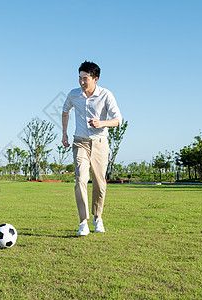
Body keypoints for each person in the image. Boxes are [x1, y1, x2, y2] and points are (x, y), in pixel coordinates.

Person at [62, 61, 122, 236]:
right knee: (80, 180)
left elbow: (118, 120)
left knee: (99, 184)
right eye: (80, 78)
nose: (81, 82)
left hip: (100, 143)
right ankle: (83, 222)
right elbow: (65, 111)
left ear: (95, 79)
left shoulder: (106, 95)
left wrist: (101, 123)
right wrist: (64, 133)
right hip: (80, 141)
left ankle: (98, 217)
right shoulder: (74, 95)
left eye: (85, 79)